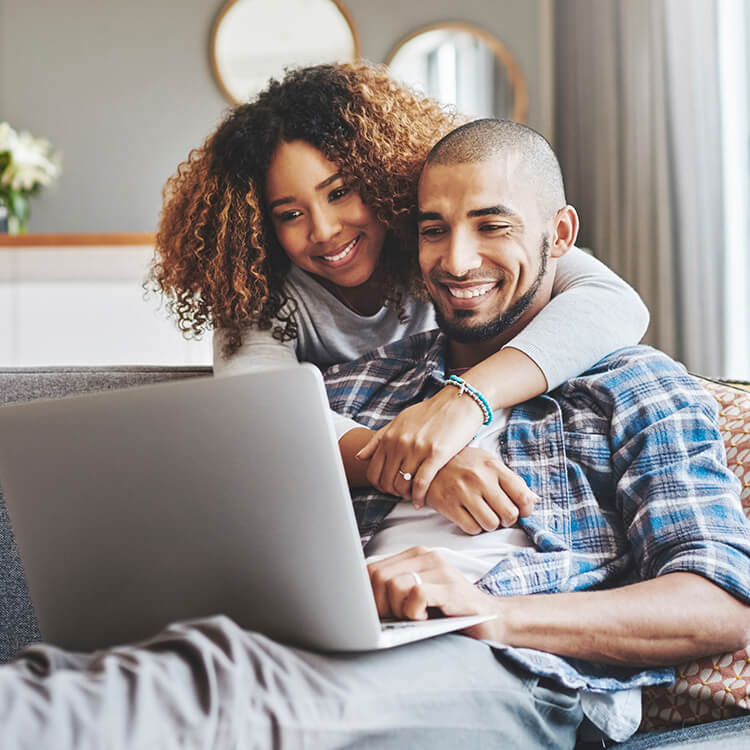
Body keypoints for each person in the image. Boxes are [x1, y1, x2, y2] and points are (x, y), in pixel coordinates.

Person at [2, 118, 748, 750]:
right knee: (74, 679)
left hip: (501, 671)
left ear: (559, 234)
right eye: (434, 229)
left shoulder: (634, 386)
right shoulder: (353, 388)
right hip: (298, 645)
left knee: (235, 694)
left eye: (492, 226)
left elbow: (719, 603)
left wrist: (492, 614)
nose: (457, 261)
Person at [150, 62, 649, 524]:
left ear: (381, 177)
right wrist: (416, 468)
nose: (323, 230)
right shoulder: (257, 291)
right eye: (289, 214)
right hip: (359, 501)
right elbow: (257, 412)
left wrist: (466, 399)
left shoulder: (443, 242)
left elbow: (615, 303)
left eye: (340, 192)